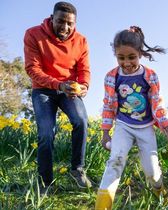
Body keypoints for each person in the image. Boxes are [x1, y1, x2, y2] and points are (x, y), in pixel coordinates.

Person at [95, 26, 168, 209]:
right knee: (115, 162)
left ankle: (160, 195)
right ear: (115, 56)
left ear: (140, 53)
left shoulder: (150, 76)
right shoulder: (112, 77)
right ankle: (102, 206)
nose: (127, 62)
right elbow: (108, 105)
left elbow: (157, 104)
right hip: (123, 125)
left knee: (152, 171)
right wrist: (106, 132)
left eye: (131, 57)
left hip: (146, 127)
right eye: (121, 58)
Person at [24, 1, 92, 193]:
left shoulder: (81, 41)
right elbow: (32, 69)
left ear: (75, 23)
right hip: (43, 90)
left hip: (69, 89)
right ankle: (45, 182)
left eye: (70, 23)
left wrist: (84, 86)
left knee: (81, 121)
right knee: (46, 133)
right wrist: (57, 84)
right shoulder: (33, 34)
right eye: (61, 21)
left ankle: (77, 169)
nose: (65, 27)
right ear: (52, 18)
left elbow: (84, 69)